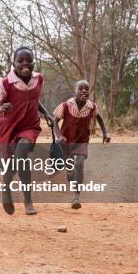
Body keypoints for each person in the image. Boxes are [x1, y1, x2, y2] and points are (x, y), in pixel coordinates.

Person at [0, 47, 54, 216]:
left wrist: (46, 114)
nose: (25, 64)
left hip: (29, 127)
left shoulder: (39, 79)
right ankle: (6, 187)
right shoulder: (5, 83)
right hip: (9, 129)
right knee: (14, 165)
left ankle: (28, 200)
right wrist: (1, 107)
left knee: (21, 156)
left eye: (28, 60)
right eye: (20, 61)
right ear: (14, 64)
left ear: (33, 62)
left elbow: (35, 100)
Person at [53, 80, 110, 209]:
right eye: (81, 88)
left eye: (87, 89)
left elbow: (99, 118)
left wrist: (105, 133)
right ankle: (69, 170)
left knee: (79, 163)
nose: (84, 91)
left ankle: (76, 196)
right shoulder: (65, 105)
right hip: (66, 142)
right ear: (75, 91)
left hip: (82, 141)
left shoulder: (92, 107)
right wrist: (59, 136)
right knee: (70, 165)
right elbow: (55, 122)